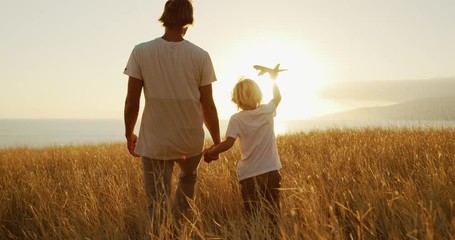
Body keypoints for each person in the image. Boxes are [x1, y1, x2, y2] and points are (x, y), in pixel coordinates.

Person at [123, 0, 221, 233]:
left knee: (156, 202)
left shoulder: (141, 51)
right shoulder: (201, 56)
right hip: (190, 141)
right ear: (188, 22)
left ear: (164, 19)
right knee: (187, 181)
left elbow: (132, 103)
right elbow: (207, 105)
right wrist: (216, 142)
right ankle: (178, 231)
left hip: (155, 142)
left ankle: (161, 234)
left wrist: (129, 134)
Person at [204, 76, 283, 237]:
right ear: (258, 94)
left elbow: (228, 143)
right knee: (274, 217)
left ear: (236, 99)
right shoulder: (267, 110)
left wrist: (211, 152)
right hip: (272, 172)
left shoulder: (237, 119)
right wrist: (273, 79)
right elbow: (278, 97)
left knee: (252, 217)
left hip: (249, 175)